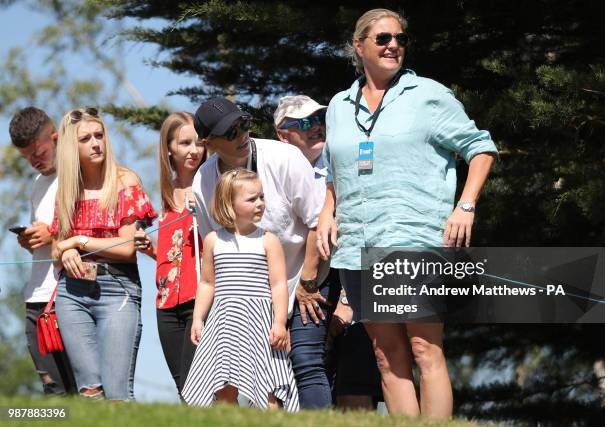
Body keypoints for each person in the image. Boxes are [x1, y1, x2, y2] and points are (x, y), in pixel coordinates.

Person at [317, 8, 498, 417]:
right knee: (385, 355)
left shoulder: (428, 96)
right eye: (382, 39)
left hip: (415, 238)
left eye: (399, 38)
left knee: (423, 348)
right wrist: (327, 213)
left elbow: (480, 148)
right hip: (358, 245)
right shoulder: (338, 107)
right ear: (359, 46)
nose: (393, 45)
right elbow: (334, 171)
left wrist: (465, 206)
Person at [190, 97, 331, 408]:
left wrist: (308, 282)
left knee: (306, 362)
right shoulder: (203, 181)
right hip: (251, 296)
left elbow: (318, 222)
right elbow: (214, 250)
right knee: (247, 379)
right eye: (230, 132)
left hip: (305, 277)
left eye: (244, 125)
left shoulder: (284, 158)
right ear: (208, 142)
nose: (241, 135)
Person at [273, 95, 382, 410]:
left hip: (353, 283)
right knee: (301, 366)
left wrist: (348, 301)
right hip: (303, 287)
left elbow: (365, 230)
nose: (315, 128)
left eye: (319, 120)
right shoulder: (272, 174)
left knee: (355, 382)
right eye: (304, 123)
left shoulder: (342, 165)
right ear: (282, 134)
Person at [49, 107, 157, 400]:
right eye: (86, 139)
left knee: (117, 395)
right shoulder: (67, 189)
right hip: (71, 292)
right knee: (90, 392)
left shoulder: (125, 181)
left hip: (117, 288)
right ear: (73, 147)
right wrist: (65, 253)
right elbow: (57, 248)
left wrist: (78, 242)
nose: (96, 143)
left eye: (100, 135)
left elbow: (126, 248)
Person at [182, 169, 299, 411]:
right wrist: (198, 318)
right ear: (229, 204)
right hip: (224, 321)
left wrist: (279, 322)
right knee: (223, 387)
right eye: (252, 199)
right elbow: (207, 283)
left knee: (267, 385)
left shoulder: (268, 240)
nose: (260, 203)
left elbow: (278, 283)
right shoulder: (214, 240)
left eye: (262, 197)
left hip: (258, 321)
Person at [133, 112, 205, 396]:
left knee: (195, 384)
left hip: (200, 298)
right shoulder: (165, 193)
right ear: (169, 150)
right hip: (165, 303)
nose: (194, 150)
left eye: (198, 142)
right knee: (182, 388)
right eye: (185, 143)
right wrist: (149, 248)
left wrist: (204, 208)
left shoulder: (211, 184)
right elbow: (173, 253)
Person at [9, 107, 76, 395]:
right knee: (54, 394)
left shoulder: (80, 173)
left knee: (83, 391)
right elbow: (46, 235)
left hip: (69, 295)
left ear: (56, 137)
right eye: (27, 158)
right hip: (36, 297)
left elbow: (95, 233)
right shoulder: (37, 185)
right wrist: (31, 240)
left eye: (38, 152)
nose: (34, 161)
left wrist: (53, 235)